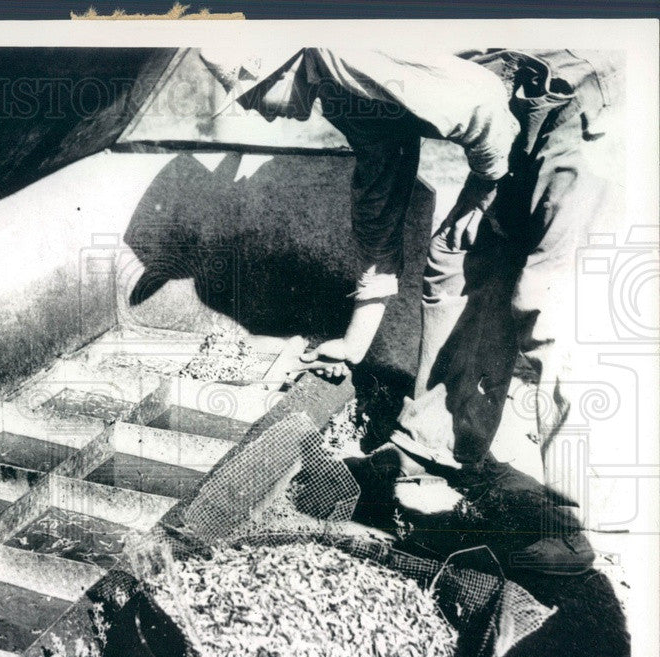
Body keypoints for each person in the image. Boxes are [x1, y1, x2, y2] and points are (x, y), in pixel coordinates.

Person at [199, 48, 620, 574]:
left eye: (252, 94)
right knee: (454, 266)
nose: (257, 111)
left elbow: (484, 106)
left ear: (280, 64)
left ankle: (574, 523)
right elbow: (381, 211)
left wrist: (486, 190)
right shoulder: (340, 94)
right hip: (511, 122)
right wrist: (353, 344)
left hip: (566, 107)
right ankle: (432, 448)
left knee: (546, 305)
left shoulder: (346, 55)